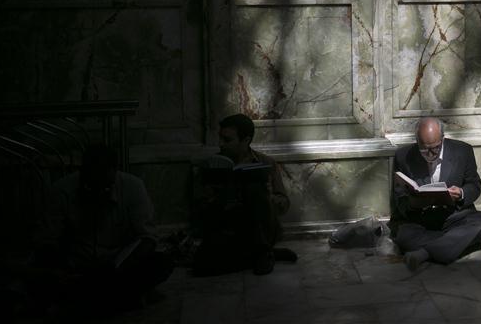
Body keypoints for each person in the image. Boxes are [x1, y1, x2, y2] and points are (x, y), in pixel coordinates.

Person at [33, 144, 173, 313]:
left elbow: (148, 238)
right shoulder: (62, 191)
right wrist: (60, 267)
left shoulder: (133, 187)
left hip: (116, 268)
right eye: (92, 186)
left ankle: (92, 297)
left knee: (162, 262)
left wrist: (123, 264)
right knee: (42, 273)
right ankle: (115, 297)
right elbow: (47, 240)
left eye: (105, 186)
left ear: (114, 173)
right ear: (82, 175)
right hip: (77, 266)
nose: (99, 192)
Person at [192, 114, 295, 276]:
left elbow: (284, 204)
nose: (220, 144)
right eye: (220, 138)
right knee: (200, 266)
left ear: (245, 141)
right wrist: (217, 195)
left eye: (227, 140)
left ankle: (262, 250)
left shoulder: (266, 163)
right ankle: (264, 254)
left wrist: (268, 196)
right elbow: (200, 206)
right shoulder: (211, 165)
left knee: (254, 188)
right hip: (229, 230)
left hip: (262, 228)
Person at [390, 117, 481, 270]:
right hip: (420, 219)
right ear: (417, 141)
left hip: (453, 216)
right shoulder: (403, 156)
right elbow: (399, 197)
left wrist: (461, 193)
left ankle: (425, 252)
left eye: (435, 148)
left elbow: (474, 185)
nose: (430, 154)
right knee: (403, 235)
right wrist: (412, 203)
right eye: (424, 149)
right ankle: (453, 243)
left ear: (443, 139)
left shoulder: (463, 151)